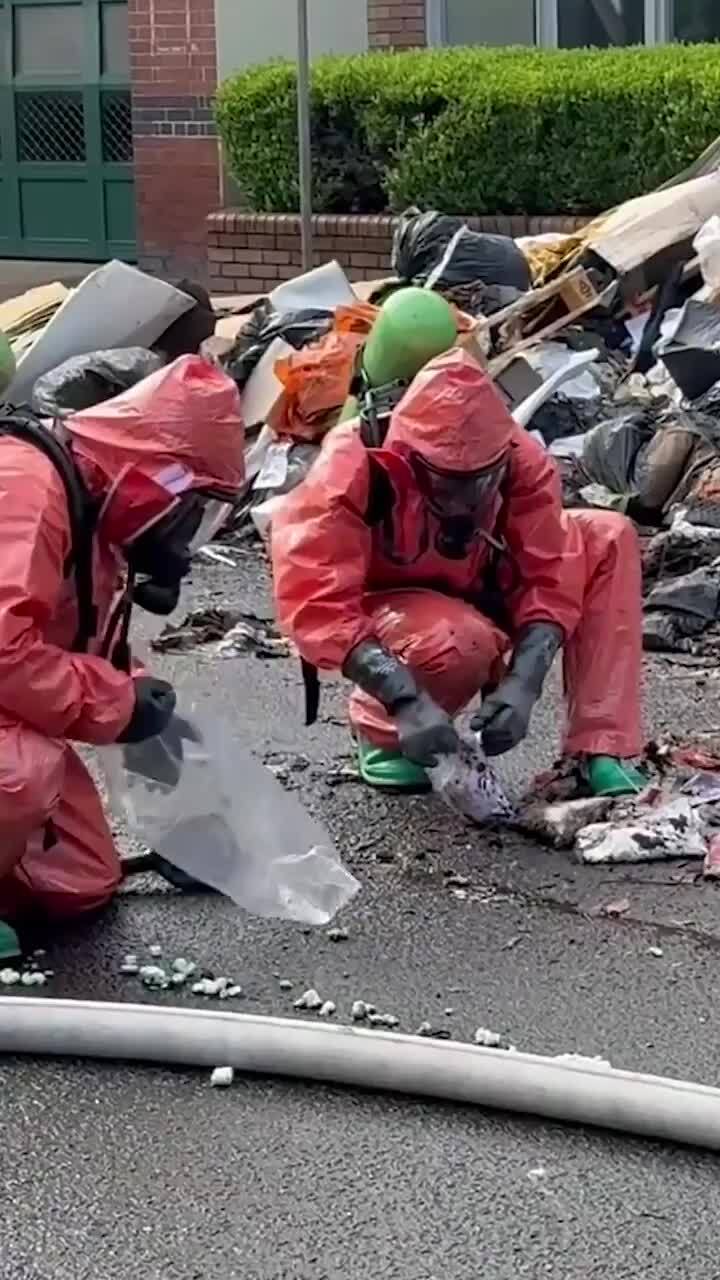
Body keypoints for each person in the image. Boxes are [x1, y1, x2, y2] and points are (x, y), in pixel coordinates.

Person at [272, 347, 644, 799]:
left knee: (607, 535)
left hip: (480, 585)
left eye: (479, 482)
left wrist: (524, 681)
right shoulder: (355, 462)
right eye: (446, 483)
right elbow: (316, 597)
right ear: (407, 456)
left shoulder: (518, 460)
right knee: (455, 640)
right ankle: (385, 732)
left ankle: (598, 748)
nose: (462, 500)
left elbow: (551, 570)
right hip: (397, 609)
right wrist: (403, 698)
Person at [0, 354, 244, 960]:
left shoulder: (90, 506)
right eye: (195, 509)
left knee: (80, 882)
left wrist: (138, 696)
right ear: (156, 478)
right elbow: (4, 649)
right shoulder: (27, 488)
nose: (190, 533)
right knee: (18, 774)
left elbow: (70, 646)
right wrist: (118, 704)